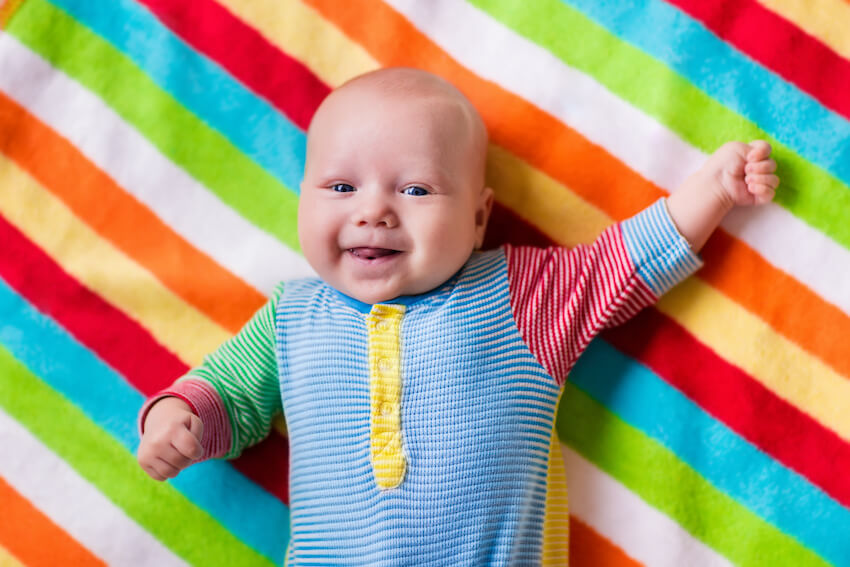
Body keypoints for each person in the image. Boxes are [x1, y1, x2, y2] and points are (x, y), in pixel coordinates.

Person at [136, 67, 779, 565]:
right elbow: (227, 396)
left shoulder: (517, 294)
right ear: (302, 198)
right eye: (340, 188)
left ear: (477, 218)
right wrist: (177, 419)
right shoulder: (292, 318)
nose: (373, 212)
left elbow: (623, 262)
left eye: (415, 190)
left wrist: (714, 190)